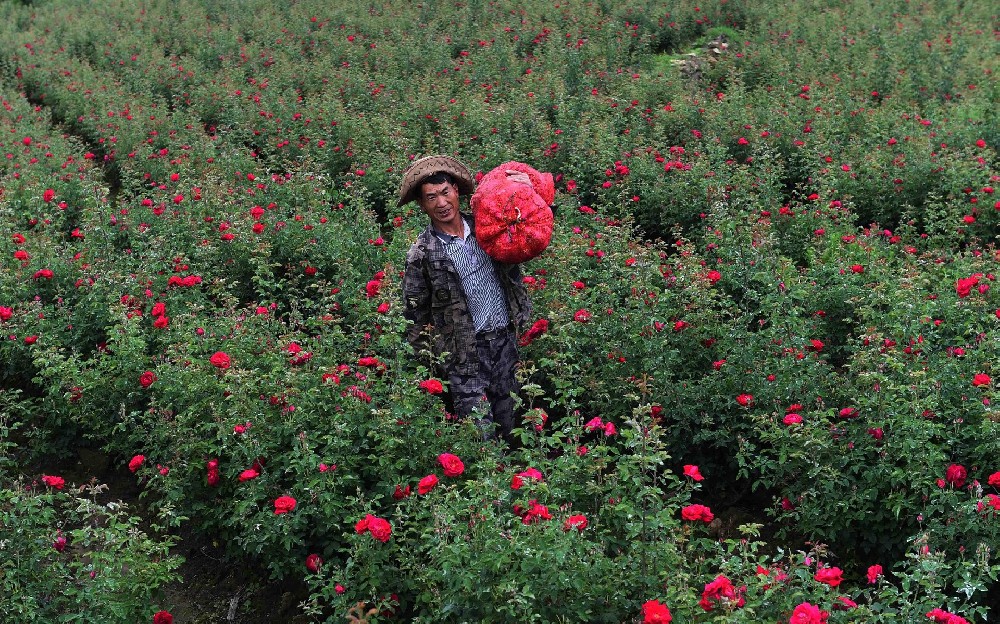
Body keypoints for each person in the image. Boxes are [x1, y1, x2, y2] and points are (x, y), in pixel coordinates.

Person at [399, 155, 533, 441]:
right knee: (480, 438)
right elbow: (414, 316)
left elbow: (533, 226)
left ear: (456, 191)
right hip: (463, 356)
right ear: (422, 205)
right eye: (431, 197)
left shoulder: (490, 228)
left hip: (505, 344)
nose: (441, 203)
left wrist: (529, 188)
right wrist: (434, 360)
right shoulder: (422, 254)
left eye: (445, 192)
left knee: (512, 428)